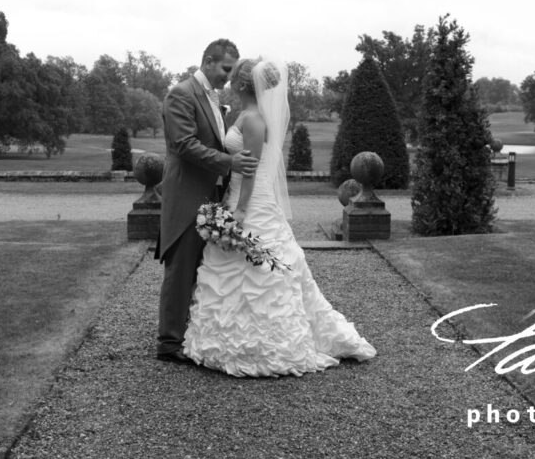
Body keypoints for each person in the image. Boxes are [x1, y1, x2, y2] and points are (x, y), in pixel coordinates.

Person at [183, 58, 376, 376]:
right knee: (238, 268)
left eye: (233, 76)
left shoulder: (255, 120)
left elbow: (251, 170)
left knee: (261, 269)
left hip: (252, 202)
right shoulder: (248, 115)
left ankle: (267, 345)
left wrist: (240, 212)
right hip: (238, 196)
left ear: (244, 84)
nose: (228, 80)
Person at [155, 39, 261, 363]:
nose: (228, 78)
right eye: (226, 69)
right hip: (187, 195)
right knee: (181, 267)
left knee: (200, 267)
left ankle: (187, 333)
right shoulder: (181, 94)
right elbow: (184, 145)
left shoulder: (213, 98)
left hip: (211, 196)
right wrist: (230, 163)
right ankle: (169, 344)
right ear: (208, 61)